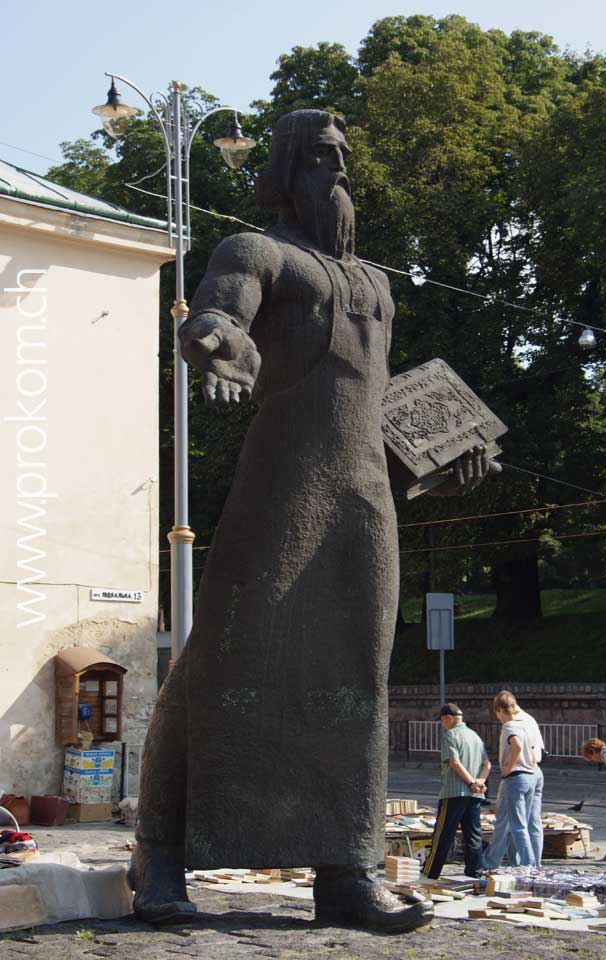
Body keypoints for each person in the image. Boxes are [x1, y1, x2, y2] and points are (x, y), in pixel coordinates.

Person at [130, 109, 488, 932]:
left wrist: (441, 459)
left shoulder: (378, 285)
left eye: (345, 161)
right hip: (281, 489)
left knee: (356, 677)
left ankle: (346, 872)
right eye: (322, 160)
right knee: (222, 660)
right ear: (287, 172)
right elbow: (223, 313)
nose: (340, 176)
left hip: (365, 498)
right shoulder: (256, 251)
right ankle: (158, 853)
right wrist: (216, 343)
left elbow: (371, 410)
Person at [422, 703, 491, 879]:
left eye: (442, 721)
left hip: (454, 791)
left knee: (443, 833)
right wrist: (479, 782)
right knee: (473, 833)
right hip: (475, 793)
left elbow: (454, 762)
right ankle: (475, 871)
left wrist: (470, 782)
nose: (442, 724)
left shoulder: (450, 735)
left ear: (449, 718)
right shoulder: (475, 736)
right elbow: (487, 764)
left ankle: (431, 872)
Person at [483, 691, 544, 870]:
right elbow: (535, 750)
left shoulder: (510, 726)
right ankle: (532, 863)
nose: (498, 718)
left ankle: (526, 864)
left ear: (501, 710)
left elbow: (516, 746)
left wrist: (507, 768)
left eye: (497, 714)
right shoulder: (527, 722)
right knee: (532, 822)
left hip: (517, 776)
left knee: (517, 825)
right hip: (533, 773)